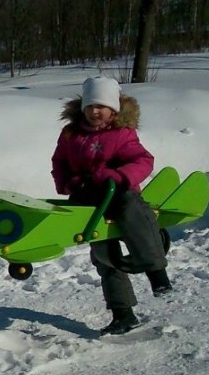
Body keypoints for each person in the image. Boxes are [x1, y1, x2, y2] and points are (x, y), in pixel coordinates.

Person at [51, 76, 172, 336]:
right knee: (104, 256)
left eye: (101, 107)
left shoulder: (121, 133)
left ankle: (157, 273)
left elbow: (143, 160)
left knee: (136, 219)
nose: (95, 112)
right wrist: (67, 183)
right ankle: (123, 313)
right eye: (90, 106)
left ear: (113, 109)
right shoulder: (71, 133)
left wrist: (119, 177)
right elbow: (59, 161)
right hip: (87, 199)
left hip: (118, 193)